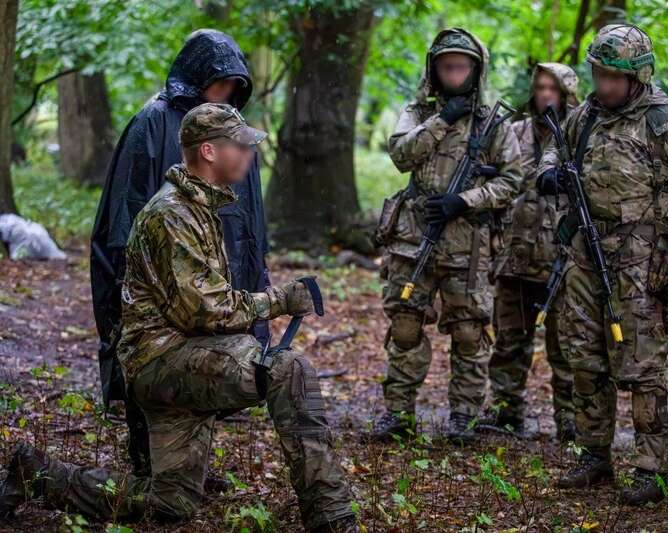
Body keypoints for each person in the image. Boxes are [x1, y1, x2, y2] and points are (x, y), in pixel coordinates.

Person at [0, 104, 355, 533]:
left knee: (172, 503)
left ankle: (39, 475)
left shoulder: (199, 207)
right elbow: (204, 309)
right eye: (240, 145)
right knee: (288, 368)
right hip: (164, 361)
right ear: (209, 151)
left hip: (176, 357)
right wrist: (279, 300)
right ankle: (332, 517)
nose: (249, 154)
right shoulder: (173, 214)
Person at [538, 24, 668, 505]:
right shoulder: (585, 115)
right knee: (583, 356)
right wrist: (549, 174)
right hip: (585, 251)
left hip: (641, 258)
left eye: (613, 77)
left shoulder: (666, 121)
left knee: (641, 363)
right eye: (598, 74)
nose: (603, 85)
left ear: (638, 76)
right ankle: (594, 454)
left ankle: (651, 468)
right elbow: (553, 148)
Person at [89, 29, 270, 478]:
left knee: (208, 364)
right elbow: (125, 212)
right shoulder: (153, 122)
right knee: (162, 365)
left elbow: (249, 221)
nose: (224, 92)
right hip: (160, 279)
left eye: (233, 86)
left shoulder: (233, 131)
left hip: (218, 271)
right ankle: (149, 463)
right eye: (219, 83)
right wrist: (124, 293)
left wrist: (253, 283)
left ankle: (189, 467)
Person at [367, 28, 522, 443]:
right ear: (434, 70)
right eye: (446, 66)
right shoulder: (418, 113)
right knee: (405, 326)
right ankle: (399, 414)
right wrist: (443, 118)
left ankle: (463, 419)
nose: (454, 73)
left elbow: (513, 181)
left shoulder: (493, 123)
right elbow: (401, 155)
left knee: (470, 332)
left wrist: (465, 201)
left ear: (475, 70)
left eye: (461, 66)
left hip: (467, 243)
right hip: (412, 238)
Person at [479, 62, 579, 441]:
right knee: (509, 340)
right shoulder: (514, 132)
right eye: (540, 88)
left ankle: (570, 422)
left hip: (564, 259)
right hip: (515, 254)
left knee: (566, 346)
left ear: (566, 94)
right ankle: (506, 413)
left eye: (553, 89)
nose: (545, 95)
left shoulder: (579, 135)